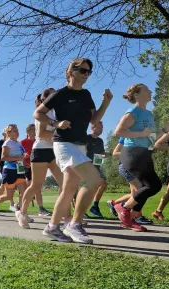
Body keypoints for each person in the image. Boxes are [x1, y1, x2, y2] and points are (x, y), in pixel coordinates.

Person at [33, 58, 113, 243]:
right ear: (71, 72)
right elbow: (37, 113)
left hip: (80, 145)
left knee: (69, 189)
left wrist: (106, 103)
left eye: (88, 72)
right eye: (82, 71)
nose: (86, 75)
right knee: (94, 180)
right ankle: (74, 224)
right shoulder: (61, 94)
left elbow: (94, 120)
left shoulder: (86, 94)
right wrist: (55, 123)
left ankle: (52, 228)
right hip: (64, 144)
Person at [114, 84, 169, 231]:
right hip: (132, 152)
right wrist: (140, 134)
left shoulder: (148, 114)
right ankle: (123, 208)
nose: (150, 91)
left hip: (143, 153)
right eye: (146, 90)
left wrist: (165, 130)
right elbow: (119, 131)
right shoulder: (133, 111)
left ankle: (129, 217)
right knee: (151, 185)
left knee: (154, 185)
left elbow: (150, 136)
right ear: (137, 95)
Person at [17, 89, 66, 232]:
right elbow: (41, 133)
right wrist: (59, 131)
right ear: (43, 98)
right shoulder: (42, 112)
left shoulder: (55, 112)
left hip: (53, 151)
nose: (53, 96)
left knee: (65, 184)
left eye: (55, 93)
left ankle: (65, 216)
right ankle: (22, 212)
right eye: (49, 94)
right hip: (40, 151)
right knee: (36, 185)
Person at [106, 138, 153, 225]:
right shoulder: (126, 136)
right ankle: (137, 216)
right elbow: (115, 153)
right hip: (126, 166)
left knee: (135, 194)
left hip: (137, 168)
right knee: (139, 190)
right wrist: (133, 154)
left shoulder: (146, 137)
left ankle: (114, 204)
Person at [0, 124, 28, 217]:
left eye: (17, 130)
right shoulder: (7, 143)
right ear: (9, 133)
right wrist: (19, 157)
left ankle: (22, 213)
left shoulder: (19, 144)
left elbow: (20, 158)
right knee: (8, 196)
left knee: (24, 192)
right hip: (9, 170)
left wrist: (24, 162)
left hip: (20, 169)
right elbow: (3, 157)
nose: (17, 132)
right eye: (15, 131)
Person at [20, 123, 51, 216]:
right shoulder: (23, 142)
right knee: (32, 188)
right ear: (28, 131)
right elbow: (18, 156)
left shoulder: (38, 142)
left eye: (35, 129)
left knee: (37, 188)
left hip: (37, 166)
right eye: (32, 129)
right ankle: (21, 208)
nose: (35, 131)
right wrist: (24, 160)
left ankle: (40, 209)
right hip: (27, 167)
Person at [84, 121, 109, 217]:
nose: (101, 129)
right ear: (93, 128)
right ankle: (83, 211)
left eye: (102, 128)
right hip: (86, 166)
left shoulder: (100, 141)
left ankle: (94, 207)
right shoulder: (86, 138)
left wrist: (109, 153)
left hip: (96, 166)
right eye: (99, 127)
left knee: (102, 185)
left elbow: (101, 155)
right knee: (88, 189)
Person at [0, 132, 15, 210]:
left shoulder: (11, 142)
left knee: (4, 184)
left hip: (11, 165)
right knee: (8, 183)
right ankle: (11, 204)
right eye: (6, 133)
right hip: (2, 165)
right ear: (3, 134)